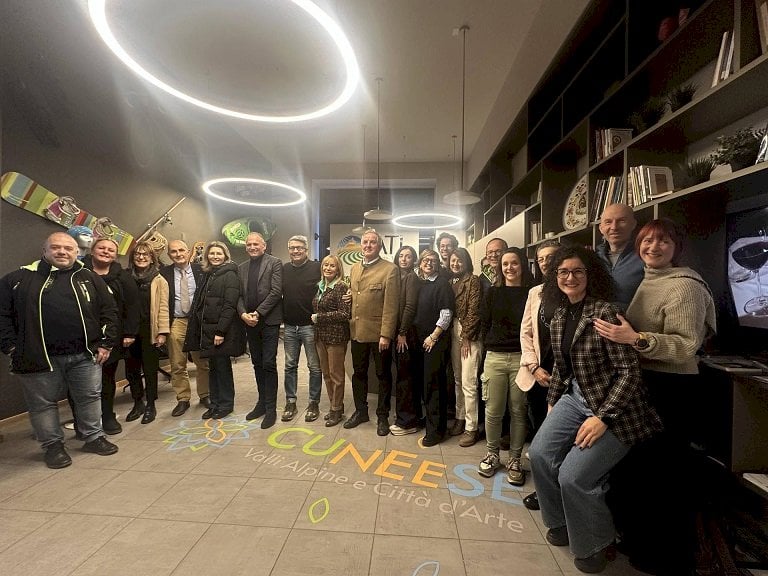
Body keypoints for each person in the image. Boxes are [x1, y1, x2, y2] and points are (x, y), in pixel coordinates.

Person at [593, 218, 716, 575]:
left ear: (677, 247)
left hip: (672, 390)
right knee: (642, 473)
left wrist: (634, 339)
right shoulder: (651, 280)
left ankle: (665, 558)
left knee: (664, 478)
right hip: (648, 384)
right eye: (647, 241)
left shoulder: (685, 286)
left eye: (663, 241)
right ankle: (640, 544)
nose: (653, 247)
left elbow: (686, 346)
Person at [529, 245, 662, 575]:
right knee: (539, 454)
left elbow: (630, 373)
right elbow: (562, 368)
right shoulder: (559, 315)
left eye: (578, 271)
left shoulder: (605, 313)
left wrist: (603, 418)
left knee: (573, 476)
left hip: (616, 408)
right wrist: (552, 402)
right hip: (575, 398)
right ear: (554, 277)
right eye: (563, 272)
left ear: (591, 275)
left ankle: (597, 543)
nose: (570, 277)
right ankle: (560, 522)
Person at [0, 232, 120, 468]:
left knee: (89, 397)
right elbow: (2, 315)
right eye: (56, 247)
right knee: (43, 404)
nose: (62, 252)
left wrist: (106, 343)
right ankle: (53, 446)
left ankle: (93, 437)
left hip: (85, 355)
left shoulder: (88, 277)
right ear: (44, 251)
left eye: (68, 248)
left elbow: (109, 310)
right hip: (37, 357)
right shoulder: (18, 279)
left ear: (77, 252)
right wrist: (11, 347)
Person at [478, 247, 534, 484]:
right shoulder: (493, 293)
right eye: (505, 264)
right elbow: (485, 323)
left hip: (522, 359)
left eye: (514, 263)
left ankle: (514, 459)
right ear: (500, 268)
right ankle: (492, 454)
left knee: (518, 411)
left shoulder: (533, 293)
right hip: (495, 358)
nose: (509, 268)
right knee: (493, 410)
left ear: (522, 265)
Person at [516, 239, 560, 510]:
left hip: (566, 376)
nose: (545, 263)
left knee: (560, 436)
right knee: (541, 433)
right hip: (538, 373)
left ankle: (558, 492)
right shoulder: (536, 292)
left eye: (551, 257)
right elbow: (526, 332)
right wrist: (533, 366)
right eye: (541, 259)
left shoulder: (573, 289)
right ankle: (545, 490)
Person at [82, 237, 140, 434]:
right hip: (82, 337)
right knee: (80, 381)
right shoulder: (78, 273)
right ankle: (85, 422)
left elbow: (133, 306)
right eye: (101, 248)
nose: (106, 251)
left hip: (111, 335)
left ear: (115, 255)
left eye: (110, 249)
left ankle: (107, 416)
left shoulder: (123, 277)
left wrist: (130, 332)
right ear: (92, 250)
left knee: (107, 378)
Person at [345, 229, 399, 435]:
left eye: (372, 242)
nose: (368, 245)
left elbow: (391, 306)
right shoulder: (355, 268)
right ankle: (361, 411)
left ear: (379, 246)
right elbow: (357, 294)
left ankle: (382, 415)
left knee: (383, 374)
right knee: (358, 374)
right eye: (365, 242)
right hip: (357, 332)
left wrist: (386, 334)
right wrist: (349, 297)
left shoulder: (390, 270)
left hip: (379, 335)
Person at [184, 241, 245, 420]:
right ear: (207, 256)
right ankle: (215, 403)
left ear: (225, 256)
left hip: (220, 331)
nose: (215, 256)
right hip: (207, 330)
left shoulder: (230, 275)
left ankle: (225, 405)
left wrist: (220, 331)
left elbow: (229, 305)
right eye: (212, 253)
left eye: (219, 253)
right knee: (213, 369)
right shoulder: (208, 274)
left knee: (222, 369)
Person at [161, 240, 210, 417]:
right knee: (177, 364)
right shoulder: (163, 273)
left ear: (188, 251)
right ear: (169, 255)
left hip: (197, 322)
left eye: (181, 250)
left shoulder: (201, 270)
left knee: (202, 362)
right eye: (174, 251)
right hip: (177, 322)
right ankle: (183, 399)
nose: (178, 254)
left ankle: (205, 395)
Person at [239, 232, 283, 429]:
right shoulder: (241, 268)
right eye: (249, 244)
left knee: (268, 363)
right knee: (257, 363)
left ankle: (271, 408)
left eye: (256, 244)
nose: (252, 247)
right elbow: (238, 295)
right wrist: (243, 314)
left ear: (264, 246)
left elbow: (276, 292)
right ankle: (261, 404)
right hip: (250, 323)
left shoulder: (274, 263)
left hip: (268, 321)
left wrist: (258, 313)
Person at [124, 241, 170, 425]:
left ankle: (151, 404)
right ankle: (138, 403)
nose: (141, 257)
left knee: (150, 370)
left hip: (149, 330)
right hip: (129, 331)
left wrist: (162, 332)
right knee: (131, 370)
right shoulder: (125, 278)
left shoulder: (159, 280)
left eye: (146, 254)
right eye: (138, 254)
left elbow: (164, 308)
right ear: (132, 257)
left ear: (152, 258)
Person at [412, 249, 454, 446]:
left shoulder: (442, 284)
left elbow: (446, 314)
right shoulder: (421, 283)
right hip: (420, 341)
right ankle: (430, 423)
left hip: (434, 342)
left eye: (433, 261)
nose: (429, 263)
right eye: (425, 260)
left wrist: (433, 337)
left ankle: (436, 431)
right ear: (420, 263)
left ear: (438, 264)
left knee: (434, 386)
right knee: (424, 385)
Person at [281, 235, 323, 422]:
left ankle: (314, 403)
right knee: (290, 366)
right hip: (290, 326)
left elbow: (329, 285)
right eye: (292, 248)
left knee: (314, 367)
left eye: (299, 248)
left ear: (306, 250)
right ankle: (290, 402)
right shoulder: (284, 269)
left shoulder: (317, 267)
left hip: (310, 326)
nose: (295, 251)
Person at [311, 255, 351, 427]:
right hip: (320, 337)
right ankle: (335, 406)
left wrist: (319, 317)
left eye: (332, 266)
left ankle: (336, 409)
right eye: (325, 265)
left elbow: (344, 314)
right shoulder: (321, 286)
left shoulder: (341, 287)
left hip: (336, 338)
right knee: (326, 374)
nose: (328, 268)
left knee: (336, 375)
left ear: (338, 269)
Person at [448, 247, 482, 447]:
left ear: (466, 262)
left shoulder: (473, 280)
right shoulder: (450, 281)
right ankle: (460, 418)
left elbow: (474, 311)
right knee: (458, 379)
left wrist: (467, 336)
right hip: (453, 329)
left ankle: (472, 427)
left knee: (469, 382)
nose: (455, 264)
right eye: (453, 260)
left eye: (459, 260)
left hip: (469, 333)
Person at [390, 245, 422, 436]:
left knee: (405, 377)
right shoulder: (398, 277)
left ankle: (407, 422)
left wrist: (402, 332)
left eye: (408, 256)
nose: (404, 259)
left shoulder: (411, 278)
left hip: (406, 335)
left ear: (414, 260)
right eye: (401, 256)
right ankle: (408, 416)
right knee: (404, 376)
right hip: (400, 333)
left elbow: (410, 306)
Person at [595, 203, 644, 311]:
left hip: (633, 321)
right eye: (608, 222)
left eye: (621, 221)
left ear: (633, 224)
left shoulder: (645, 256)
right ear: (601, 228)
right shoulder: (593, 259)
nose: (614, 227)